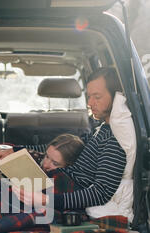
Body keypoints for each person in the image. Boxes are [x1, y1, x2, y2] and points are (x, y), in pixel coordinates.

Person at [13, 67, 128, 212]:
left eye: (97, 97)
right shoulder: (100, 128)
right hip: (55, 182)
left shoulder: (114, 139)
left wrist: (46, 200)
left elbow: (101, 193)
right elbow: (67, 146)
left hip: (62, 191)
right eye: (89, 96)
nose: (90, 103)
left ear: (116, 97)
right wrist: (14, 150)